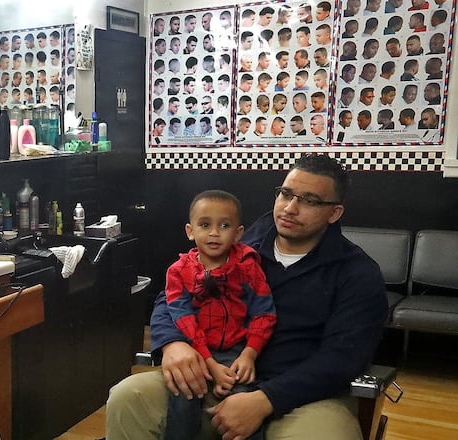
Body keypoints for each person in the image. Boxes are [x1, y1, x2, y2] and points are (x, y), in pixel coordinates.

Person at [106, 154, 387, 440]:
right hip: (212, 373)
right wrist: (173, 343)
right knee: (127, 399)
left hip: (302, 396)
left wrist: (265, 399)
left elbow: (343, 358)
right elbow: (172, 296)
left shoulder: (357, 273)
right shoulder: (243, 242)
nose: (290, 208)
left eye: (310, 201)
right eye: (286, 194)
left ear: (334, 213)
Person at [163, 190, 276, 440]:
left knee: (244, 409)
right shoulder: (178, 272)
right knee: (183, 396)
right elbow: (182, 318)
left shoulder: (247, 266)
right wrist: (209, 363)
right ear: (190, 231)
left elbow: (264, 312)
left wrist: (250, 353)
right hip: (194, 351)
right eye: (205, 225)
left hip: (237, 352)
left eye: (224, 225)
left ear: (238, 233)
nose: (214, 233)